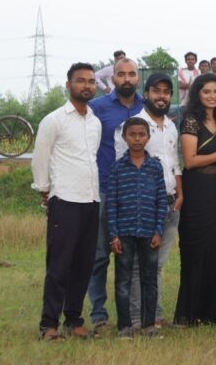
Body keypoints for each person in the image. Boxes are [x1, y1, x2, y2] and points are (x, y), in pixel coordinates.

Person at [31, 62, 102, 341]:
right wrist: (44, 189)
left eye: (91, 81)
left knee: (84, 265)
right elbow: (40, 157)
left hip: (91, 199)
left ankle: (74, 320)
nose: (87, 85)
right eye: (81, 80)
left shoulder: (94, 122)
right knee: (59, 266)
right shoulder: (54, 120)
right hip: (65, 200)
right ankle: (48, 325)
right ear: (68, 85)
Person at [112, 73, 182, 329]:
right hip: (141, 207)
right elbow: (122, 169)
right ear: (146, 93)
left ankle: (154, 316)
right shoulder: (132, 126)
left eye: (166, 92)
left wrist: (181, 192)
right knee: (136, 267)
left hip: (170, 201)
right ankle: (134, 318)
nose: (161, 96)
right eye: (156, 91)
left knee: (156, 265)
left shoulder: (171, 125)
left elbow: (174, 162)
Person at [175, 74, 216, 325]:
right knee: (196, 248)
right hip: (197, 192)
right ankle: (191, 312)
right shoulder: (191, 120)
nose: (212, 96)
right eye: (206, 92)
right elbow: (190, 161)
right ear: (197, 94)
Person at [87, 58, 144, 334]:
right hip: (104, 188)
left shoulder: (146, 107)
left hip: (136, 192)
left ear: (138, 78)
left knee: (133, 258)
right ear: (113, 78)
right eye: (121, 74)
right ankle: (99, 314)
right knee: (99, 255)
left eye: (132, 74)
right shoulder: (97, 108)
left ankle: (135, 314)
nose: (126, 79)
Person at [107, 117, 168, 339]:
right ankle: (125, 327)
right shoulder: (117, 167)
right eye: (132, 135)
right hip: (124, 232)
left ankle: (149, 325)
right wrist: (113, 235)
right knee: (123, 280)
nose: (137, 139)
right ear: (125, 137)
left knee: (149, 279)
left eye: (142, 134)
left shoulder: (155, 167)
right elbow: (111, 203)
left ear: (148, 137)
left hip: (149, 233)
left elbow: (161, 201)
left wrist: (159, 230)